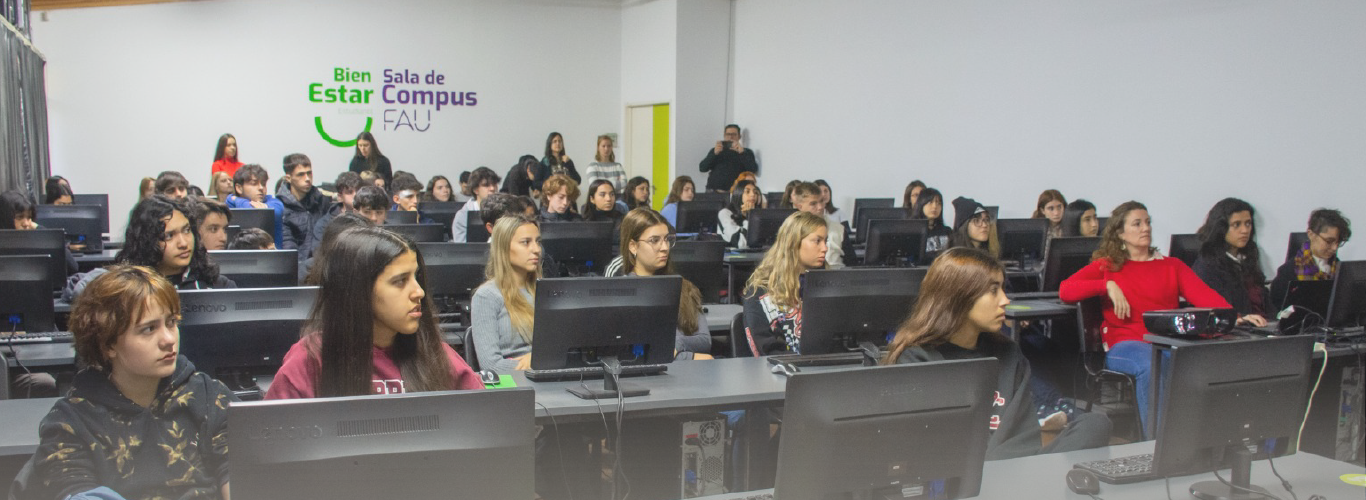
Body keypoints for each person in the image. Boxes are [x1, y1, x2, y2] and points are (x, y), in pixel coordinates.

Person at [28, 265, 235, 500]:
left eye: (171, 322)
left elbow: (242, 478)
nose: (169, 339)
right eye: (148, 329)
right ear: (108, 345)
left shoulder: (209, 396)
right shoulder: (71, 423)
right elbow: (75, 490)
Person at [883, 248, 1110, 460]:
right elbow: (929, 447)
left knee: (1095, 424)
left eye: (1002, 289)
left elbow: (1022, 433)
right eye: (993, 291)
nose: (1005, 300)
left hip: (1011, 465)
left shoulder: (1008, 353)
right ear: (959, 297)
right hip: (957, 473)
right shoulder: (917, 359)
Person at [1059, 201, 1238, 433]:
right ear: (1120, 233)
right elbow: (1066, 289)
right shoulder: (1107, 266)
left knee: (1205, 360)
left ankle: (1200, 439)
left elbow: (1204, 295)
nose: (1146, 228)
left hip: (1166, 344)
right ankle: (1157, 445)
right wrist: (1107, 285)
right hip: (1125, 346)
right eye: (1137, 224)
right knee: (1152, 362)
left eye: (1147, 222)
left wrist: (1233, 316)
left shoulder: (1171, 265)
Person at [267, 227, 482, 399]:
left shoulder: (436, 354)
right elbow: (273, 444)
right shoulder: (310, 359)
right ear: (358, 290)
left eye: (416, 277)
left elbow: (486, 421)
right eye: (399, 281)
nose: (419, 292)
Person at [66, 195, 236, 302]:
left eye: (186, 230)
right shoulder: (125, 289)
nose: (184, 243)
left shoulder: (217, 286)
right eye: (169, 236)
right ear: (148, 241)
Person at [618, 209, 712, 359]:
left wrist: (676, 344)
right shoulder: (621, 293)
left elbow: (704, 340)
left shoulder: (683, 287)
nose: (665, 247)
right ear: (633, 246)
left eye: (667, 239)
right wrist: (688, 357)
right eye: (655, 240)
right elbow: (633, 352)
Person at [742, 211, 828, 355]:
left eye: (826, 241)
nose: (825, 248)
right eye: (817, 241)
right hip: (784, 372)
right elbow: (766, 351)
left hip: (827, 369)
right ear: (794, 243)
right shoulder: (760, 292)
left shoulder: (827, 286)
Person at [470, 215, 542, 373]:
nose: (536, 249)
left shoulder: (546, 291)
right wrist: (538, 363)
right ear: (504, 248)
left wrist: (537, 359)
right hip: (517, 385)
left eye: (538, 241)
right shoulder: (487, 296)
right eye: (526, 242)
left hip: (551, 380)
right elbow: (491, 366)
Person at [1191, 198, 1270, 325]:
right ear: (1222, 228)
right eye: (1236, 225)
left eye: (1248, 223)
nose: (1245, 230)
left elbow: (1263, 300)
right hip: (1235, 332)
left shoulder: (1248, 258)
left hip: (1261, 326)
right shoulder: (1207, 265)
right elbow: (1215, 310)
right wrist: (1241, 319)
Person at [1270, 209, 1352, 310]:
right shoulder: (1287, 272)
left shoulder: (1342, 270)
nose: (1335, 248)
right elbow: (1277, 312)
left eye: (1338, 242)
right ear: (1311, 234)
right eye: (1329, 241)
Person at [3, 190, 78, 275]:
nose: (26, 224)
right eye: (20, 217)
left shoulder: (34, 242)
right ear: (5, 219)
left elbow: (73, 267)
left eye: (29, 218)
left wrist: (39, 229)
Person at [277, 153, 329, 256]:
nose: (307, 179)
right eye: (301, 174)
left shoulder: (321, 201)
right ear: (288, 178)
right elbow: (288, 247)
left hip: (322, 262)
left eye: (309, 173)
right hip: (297, 265)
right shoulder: (281, 207)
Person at [224, 163, 285, 247]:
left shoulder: (274, 202)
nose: (261, 188)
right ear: (239, 188)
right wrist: (247, 204)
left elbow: (276, 212)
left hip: (272, 256)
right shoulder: (230, 202)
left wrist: (238, 201)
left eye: (263, 184)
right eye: (254, 183)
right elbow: (251, 213)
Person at [308, 171, 363, 260]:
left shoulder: (370, 217)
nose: (356, 195)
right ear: (340, 197)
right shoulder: (325, 224)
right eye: (349, 192)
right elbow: (318, 253)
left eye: (359, 191)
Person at [791, 181, 844, 268]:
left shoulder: (838, 229)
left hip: (834, 276)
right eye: (813, 203)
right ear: (799, 206)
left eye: (821, 201)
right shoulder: (791, 229)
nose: (820, 207)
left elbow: (852, 263)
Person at [699, 124, 758, 193]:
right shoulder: (716, 150)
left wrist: (742, 153)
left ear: (739, 136)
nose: (730, 137)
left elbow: (753, 170)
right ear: (724, 136)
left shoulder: (746, 152)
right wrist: (714, 154)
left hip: (735, 193)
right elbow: (702, 168)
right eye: (728, 134)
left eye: (734, 134)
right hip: (713, 191)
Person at [452, 166, 501, 242]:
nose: (492, 188)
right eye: (486, 185)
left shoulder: (504, 211)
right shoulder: (463, 215)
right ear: (475, 190)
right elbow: (461, 249)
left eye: (494, 184)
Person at [910, 187, 950, 261]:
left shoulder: (947, 231)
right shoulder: (912, 231)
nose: (935, 207)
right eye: (930, 202)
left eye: (939, 203)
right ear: (921, 204)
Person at [719, 179, 762, 248]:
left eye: (755, 192)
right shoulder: (725, 213)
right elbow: (740, 244)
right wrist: (749, 217)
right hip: (731, 256)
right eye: (747, 192)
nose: (752, 195)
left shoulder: (758, 214)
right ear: (739, 194)